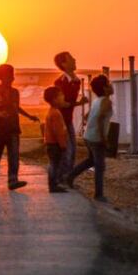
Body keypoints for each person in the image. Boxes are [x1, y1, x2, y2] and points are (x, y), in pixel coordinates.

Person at [0, 64, 39, 192]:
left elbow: (17, 108)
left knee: (14, 155)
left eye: (12, 74)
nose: (13, 77)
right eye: (10, 74)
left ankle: (13, 180)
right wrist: (1, 114)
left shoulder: (15, 92)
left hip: (13, 128)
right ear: (2, 76)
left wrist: (29, 116)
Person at [66, 75, 113, 201]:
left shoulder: (97, 100)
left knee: (91, 161)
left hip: (88, 136)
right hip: (96, 138)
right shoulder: (106, 101)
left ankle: (69, 177)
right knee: (99, 166)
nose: (111, 85)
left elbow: (87, 116)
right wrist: (103, 138)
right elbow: (99, 118)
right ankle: (99, 194)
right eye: (109, 84)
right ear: (104, 88)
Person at [53, 52, 89, 183]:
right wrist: (79, 103)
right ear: (64, 64)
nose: (75, 60)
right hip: (60, 121)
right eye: (71, 59)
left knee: (71, 150)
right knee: (67, 150)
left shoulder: (75, 81)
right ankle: (63, 178)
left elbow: (68, 102)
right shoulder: (60, 82)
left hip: (67, 120)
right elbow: (61, 103)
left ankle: (66, 178)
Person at [43, 86, 69, 193]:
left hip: (51, 143)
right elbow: (58, 132)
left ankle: (53, 183)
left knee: (53, 164)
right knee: (55, 164)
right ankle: (53, 185)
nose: (63, 97)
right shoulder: (56, 113)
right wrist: (63, 145)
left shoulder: (52, 111)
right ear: (54, 99)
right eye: (60, 95)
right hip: (55, 144)